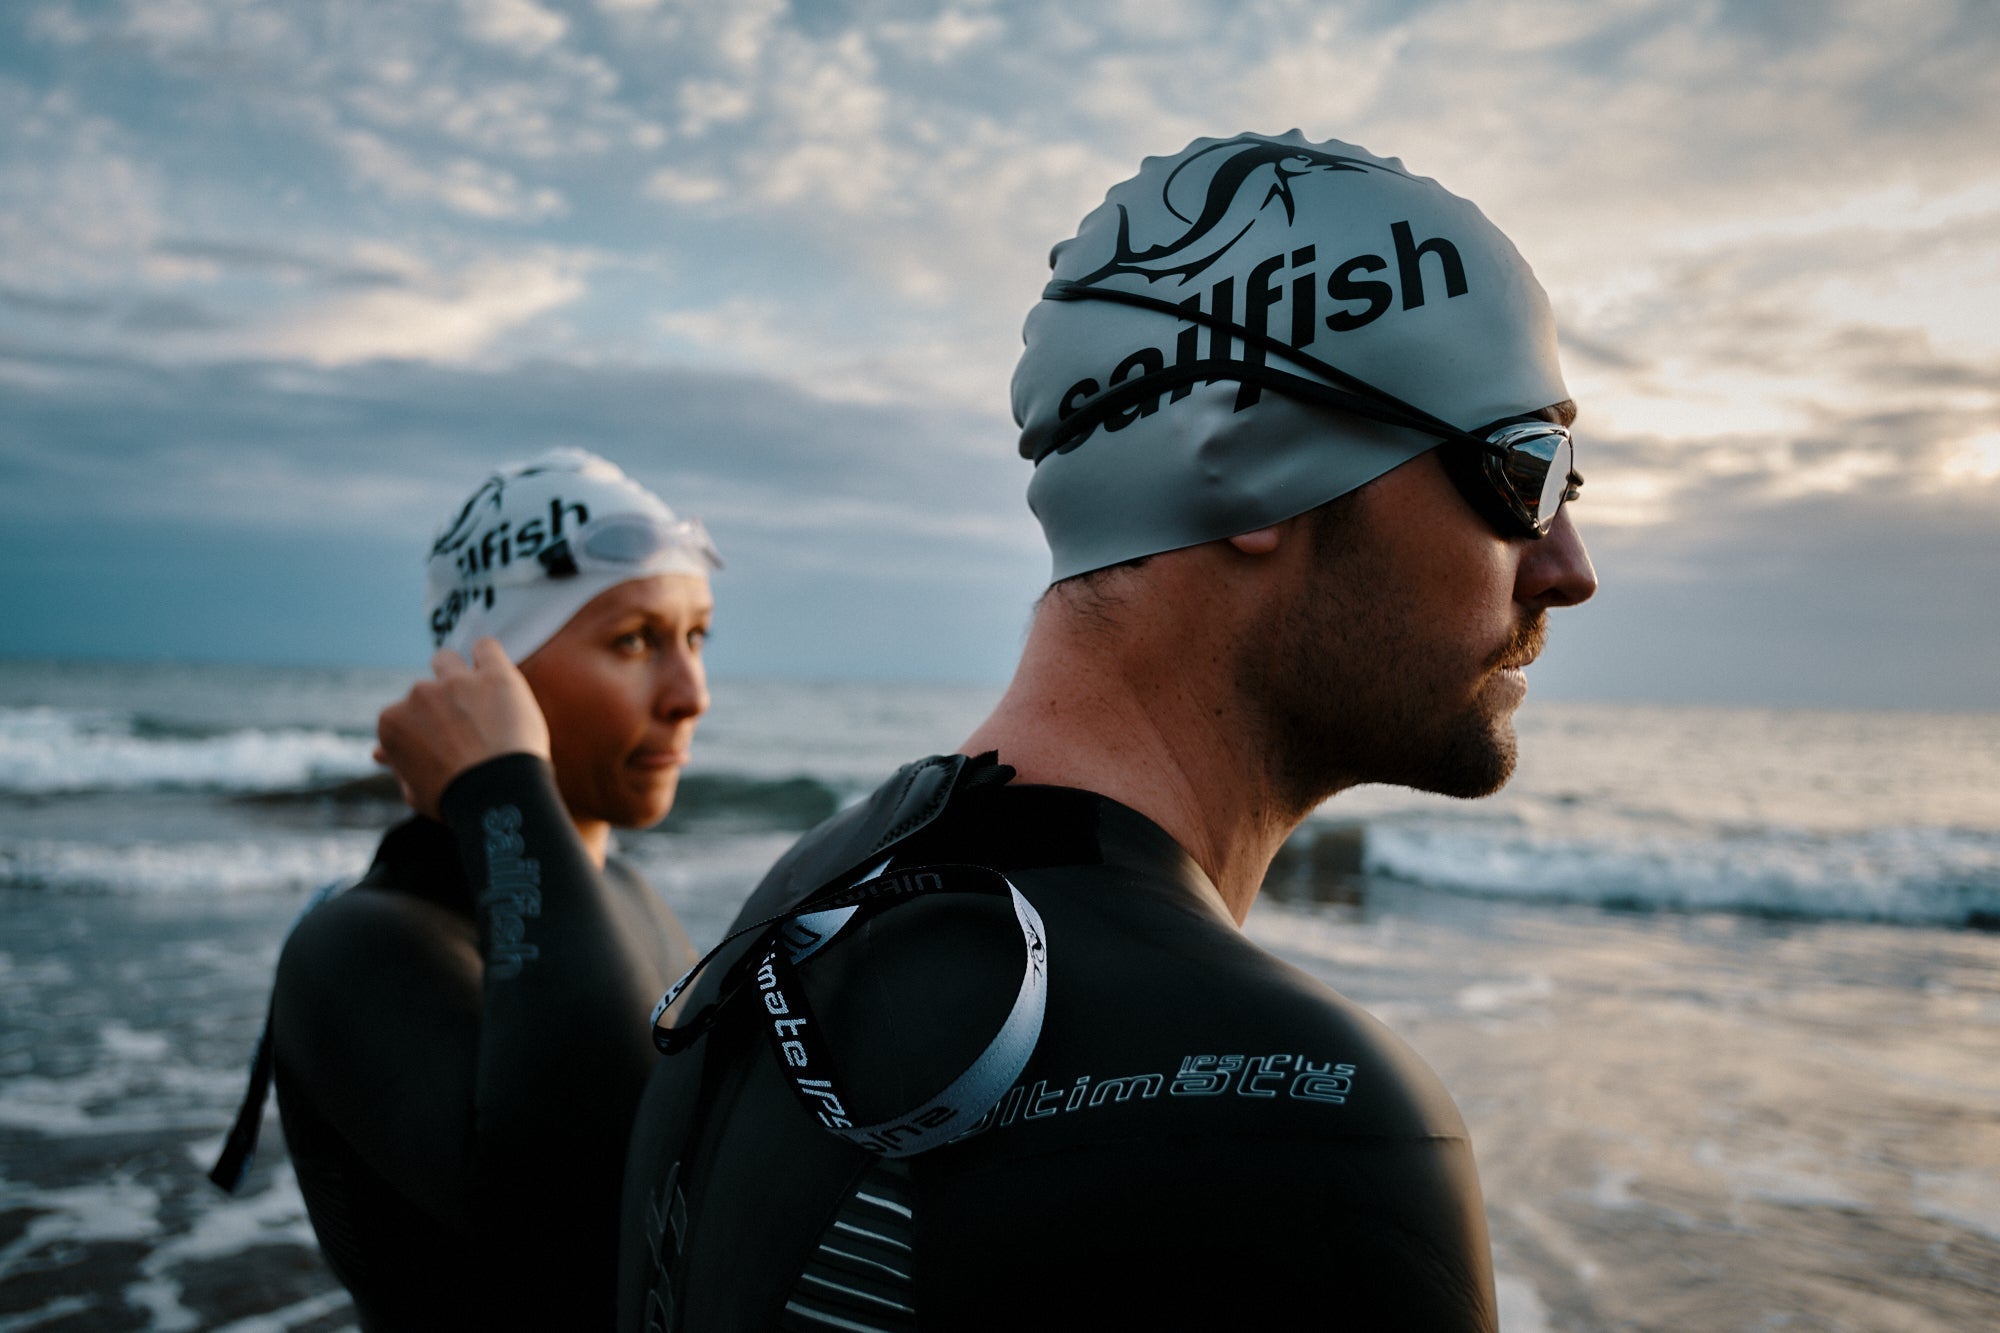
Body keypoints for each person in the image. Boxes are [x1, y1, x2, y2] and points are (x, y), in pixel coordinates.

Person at [616, 131, 1598, 1330]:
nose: (1565, 565)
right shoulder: (1310, 1127)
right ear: (1252, 469)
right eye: (1523, 467)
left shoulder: (792, 916)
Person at [214, 448, 721, 1331]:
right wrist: (501, 783)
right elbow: (604, 1224)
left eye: (696, 635)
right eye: (634, 640)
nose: (691, 694)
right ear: (495, 674)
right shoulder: (362, 945)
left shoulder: (625, 894)